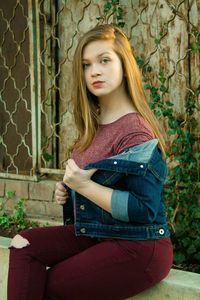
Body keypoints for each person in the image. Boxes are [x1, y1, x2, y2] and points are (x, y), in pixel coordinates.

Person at [7, 24, 173, 300]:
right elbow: (94, 194)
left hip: (139, 247)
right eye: (86, 64)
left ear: (124, 65)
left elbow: (144, 208)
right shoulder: (94, 127)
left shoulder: (135, 130)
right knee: (23, 245)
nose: (94, 71)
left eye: (104, 60)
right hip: (98, 233)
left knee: (47, 288)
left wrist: (83, 187)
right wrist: (69, 191)